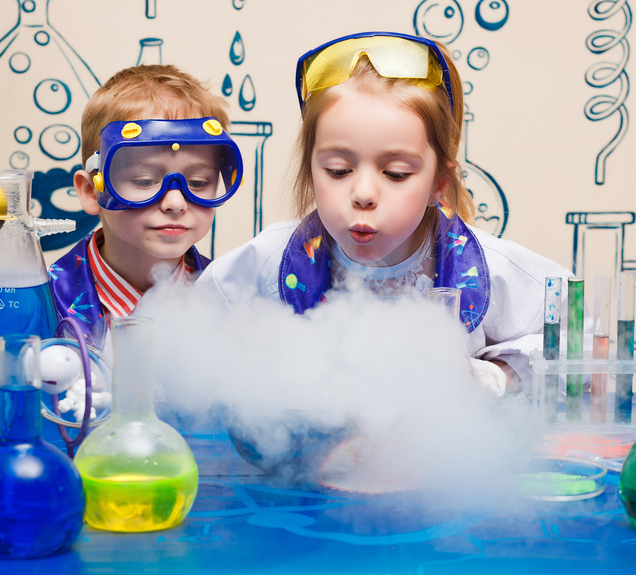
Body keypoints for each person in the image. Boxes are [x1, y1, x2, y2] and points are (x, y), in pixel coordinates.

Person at [197, 32, 570, 395]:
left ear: (439, 182)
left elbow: (580, 331)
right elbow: (191, 342)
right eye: (338, 171)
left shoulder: (485, 267)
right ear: (310, 173)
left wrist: (493, 375)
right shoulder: (267, 262)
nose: (362, 194)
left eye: (395, 174)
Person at [49, 65, 243, 348]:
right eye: (145, 181)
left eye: (199, 182)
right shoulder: (41, 299)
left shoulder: (230, 299)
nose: (176, 202)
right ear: (92, 191)